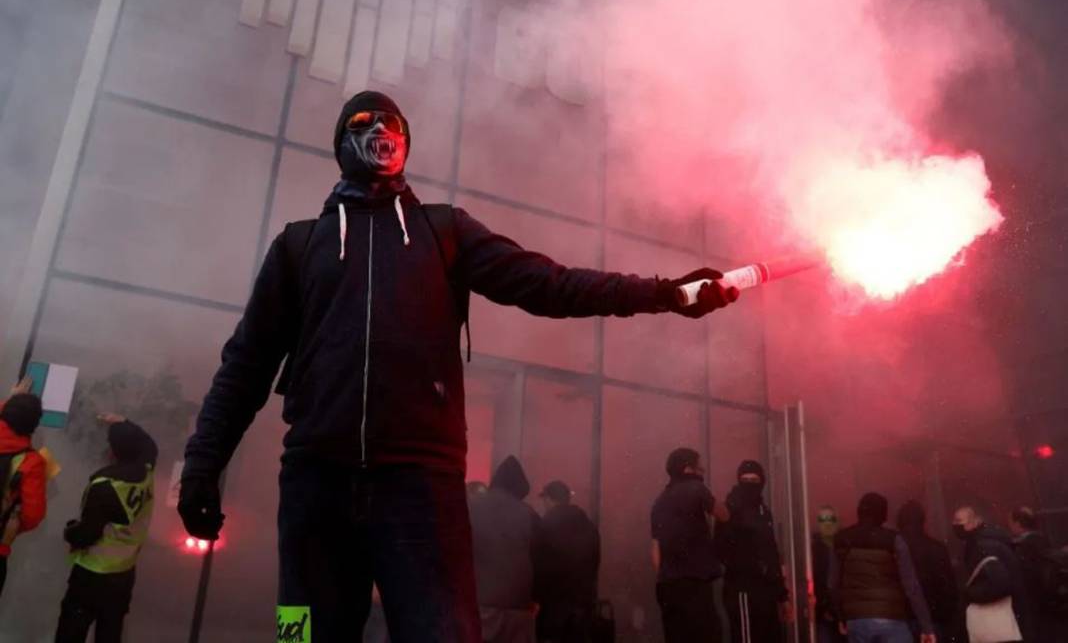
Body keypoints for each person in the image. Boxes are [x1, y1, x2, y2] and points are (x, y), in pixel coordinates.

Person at [178, 90, 740, 642]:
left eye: (393, 126)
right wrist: (202, 465)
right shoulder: (298, 246)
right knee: (297, 636)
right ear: (341, 140)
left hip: (421, 489)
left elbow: (550, 284)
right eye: (367, 123)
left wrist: (666, 293)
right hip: (316, 486)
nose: (381, 135)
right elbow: (245, 365)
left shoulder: (443, 231)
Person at [54, 414, 157, 643]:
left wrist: (69, 531)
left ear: (112, 450)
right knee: (109, 631)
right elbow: (150, 445)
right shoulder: (146, 472)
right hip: (124, 571)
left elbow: (87, 534)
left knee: (71, 631)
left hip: (93, 573)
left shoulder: (105, 486)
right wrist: (124, 422)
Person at [829, 493, 935, 643]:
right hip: (891, 618)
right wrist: (926, 626)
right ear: (883, 514)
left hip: (857, 620)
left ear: (860, 511)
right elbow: (911, 586)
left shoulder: (841, 539)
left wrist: (841, 617)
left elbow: (833, 584)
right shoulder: (893, 539)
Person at [650, 448, 729, 643]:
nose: (702, 471)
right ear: (688, 469)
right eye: (699, 467)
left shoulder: (659, 502)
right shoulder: (695, 488)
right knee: (707, 635)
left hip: (668, 586)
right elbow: (723, 515)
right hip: (694, 583)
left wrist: (665, 576)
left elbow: (655, 550)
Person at [716, 459, 791, 643]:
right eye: (745, 479)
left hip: (765, 592)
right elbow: (720, 549)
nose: (749, 485)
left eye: (754, 480)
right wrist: (747, 565)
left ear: (762, 481)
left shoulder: (763, 511)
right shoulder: (730, 508)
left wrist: (782, 596)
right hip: (742, 589)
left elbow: (771, 552)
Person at [468, 456, 541, 643]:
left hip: (480, 609)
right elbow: (540, 560)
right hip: (519, 612)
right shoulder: (529, 514)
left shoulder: (471, 507)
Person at [953, 505, 1031, 643]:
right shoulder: (990, 540)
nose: (954, 525)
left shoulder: (982, 545)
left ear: (974, 521)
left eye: (959, 521)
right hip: (1014, 615)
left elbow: (1000, 584)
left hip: (996, 624)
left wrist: (969, 593)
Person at [535, 480, 600, 643]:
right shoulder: (588, 525)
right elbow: (595, 561)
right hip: (582, 603)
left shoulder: (544, 525)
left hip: (553, 605)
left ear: (549, 499)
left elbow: (538, 564)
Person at [0, 377, 46, 598]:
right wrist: (10, 534)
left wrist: (13, 398)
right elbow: (32, 515)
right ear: (34, 426)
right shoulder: (31, 462)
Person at [896, 500, 958, 641]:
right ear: (923, 520)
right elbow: (948, 587)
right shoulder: (936, 548)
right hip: (933, 616)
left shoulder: (893, 549)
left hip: (901, 618)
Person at [1008, 506, 1066, 642]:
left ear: (1017, 524)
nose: (1009, 525)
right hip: (1051, 602)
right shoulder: (1043, 539)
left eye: (1010, 522)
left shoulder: (1024, 546)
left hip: (1036, 604)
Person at [812, 505, 845, 643]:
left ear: (837, 522)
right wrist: (825, 606)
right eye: (823, 519)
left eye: (830, 519)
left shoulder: (845, 547)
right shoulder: (812, 551)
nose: (827, 523)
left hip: (845, 612)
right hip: (822, 613)